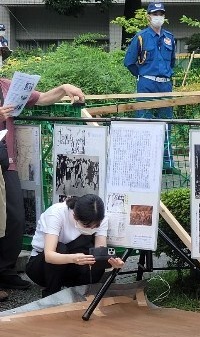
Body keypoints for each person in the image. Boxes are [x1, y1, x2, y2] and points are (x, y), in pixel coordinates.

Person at [0, 80, 86, 291]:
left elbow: (42, 99)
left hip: (6, 161)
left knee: (15, 218)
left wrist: (65, 88)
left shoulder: (7, 86)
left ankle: (5, 271)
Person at [24, 195, 124, 297]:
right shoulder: (56, 213)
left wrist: (112, 262)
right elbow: (49, 255)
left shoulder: (101, 217)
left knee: (94, 254)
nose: (92, 228)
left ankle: (85, 293)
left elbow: (100, 251)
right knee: (60, 248)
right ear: (74, 216)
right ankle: (51, 295)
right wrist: (74, 258)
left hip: (70, 266)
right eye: (87, 225)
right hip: (42, 267)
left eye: (96, 226)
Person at [123, 1, 177, 170]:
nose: (158, 17)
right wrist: (142, 76)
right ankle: (142, 162)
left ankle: (167, 163)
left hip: (165, 85)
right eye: (155, 14)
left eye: (161, 14)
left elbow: (172, 62)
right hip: (146, 83)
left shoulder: (170, 38)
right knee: (143, 121)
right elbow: (129, 62)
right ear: (148, 16)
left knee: (167, 123)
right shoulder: (140, 37)